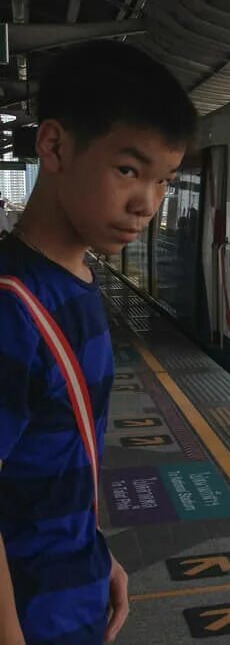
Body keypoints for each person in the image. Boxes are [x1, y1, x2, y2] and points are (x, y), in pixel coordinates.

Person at [0, 41, 196, 644]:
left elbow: (52, 460)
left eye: (163, 181)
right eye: (128, 170)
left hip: (74, 587)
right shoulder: (11, 305)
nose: (147, 205)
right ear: (55, 146)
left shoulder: (77, 281)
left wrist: (91, 554)